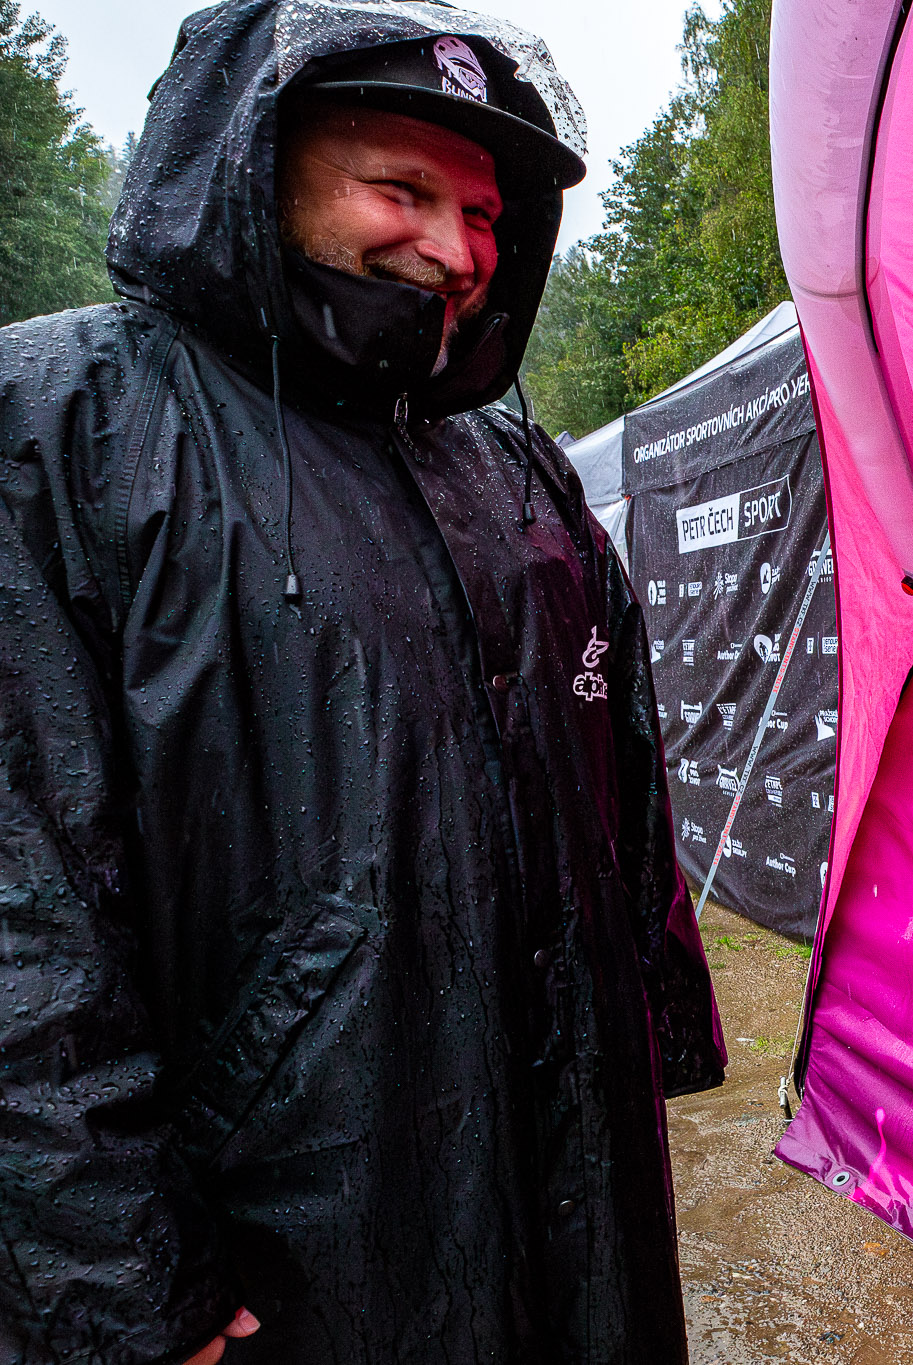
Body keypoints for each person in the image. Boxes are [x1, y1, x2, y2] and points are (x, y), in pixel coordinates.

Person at [0, 6, 722, 1364]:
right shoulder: (62, 426)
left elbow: (620, 762)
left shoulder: (513, 462)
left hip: (565, 1183)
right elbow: (21, 919)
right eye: (401, 190)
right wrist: (121, 1283)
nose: (456, 251)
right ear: (255, 170)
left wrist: (659, 1021)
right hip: (292, 1247)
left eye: (486, 214)